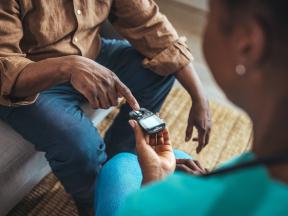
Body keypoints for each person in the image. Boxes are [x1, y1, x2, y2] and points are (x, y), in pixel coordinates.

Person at [0, 0, 211, 215]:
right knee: (80, 144)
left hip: (93, 55)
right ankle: (93, 199)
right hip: (33, 77)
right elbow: (4, 67)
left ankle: (125, 159)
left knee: (160, 71)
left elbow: (151, 24)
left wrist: (199, 97)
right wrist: (67, 66)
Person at [94, 0, 288, 215]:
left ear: (246, 44)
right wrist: (210, 181)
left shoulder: (149, 205)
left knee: (120, 166)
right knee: (176, 157)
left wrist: (155, 185)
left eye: (209, 16)